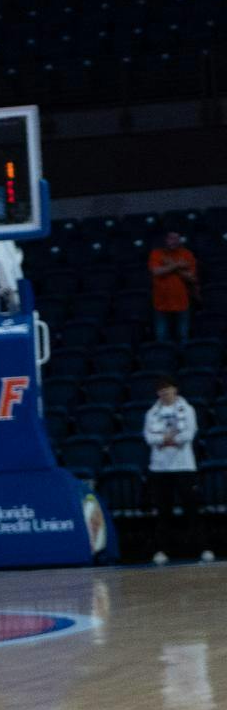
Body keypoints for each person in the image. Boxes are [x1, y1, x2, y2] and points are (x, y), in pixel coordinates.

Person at [144, 377, 210, 564]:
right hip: (160, 468)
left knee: (191, 508)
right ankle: (162, 550)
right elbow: (149, 438)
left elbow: (188, 434)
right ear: (158, 393)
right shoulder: (151, 413)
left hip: (184, 467)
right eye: (162, 391)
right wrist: (166, 438)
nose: (165, 394)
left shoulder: (187, 409)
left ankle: (202, 547)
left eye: (168, 390)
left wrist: (164, 439)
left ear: (175, 390)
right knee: (163, 511)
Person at [149, 230, 200, 345]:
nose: (174, 241)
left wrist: (171, 265)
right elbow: (156, 271)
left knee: (183, 336)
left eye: (177, 238)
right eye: (171, 238)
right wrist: (178, 265)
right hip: (161, 302)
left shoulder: (187, 254)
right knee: (161, 336)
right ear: (166, 240)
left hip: (182, 302)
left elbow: (191, 277)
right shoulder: (156, 254)